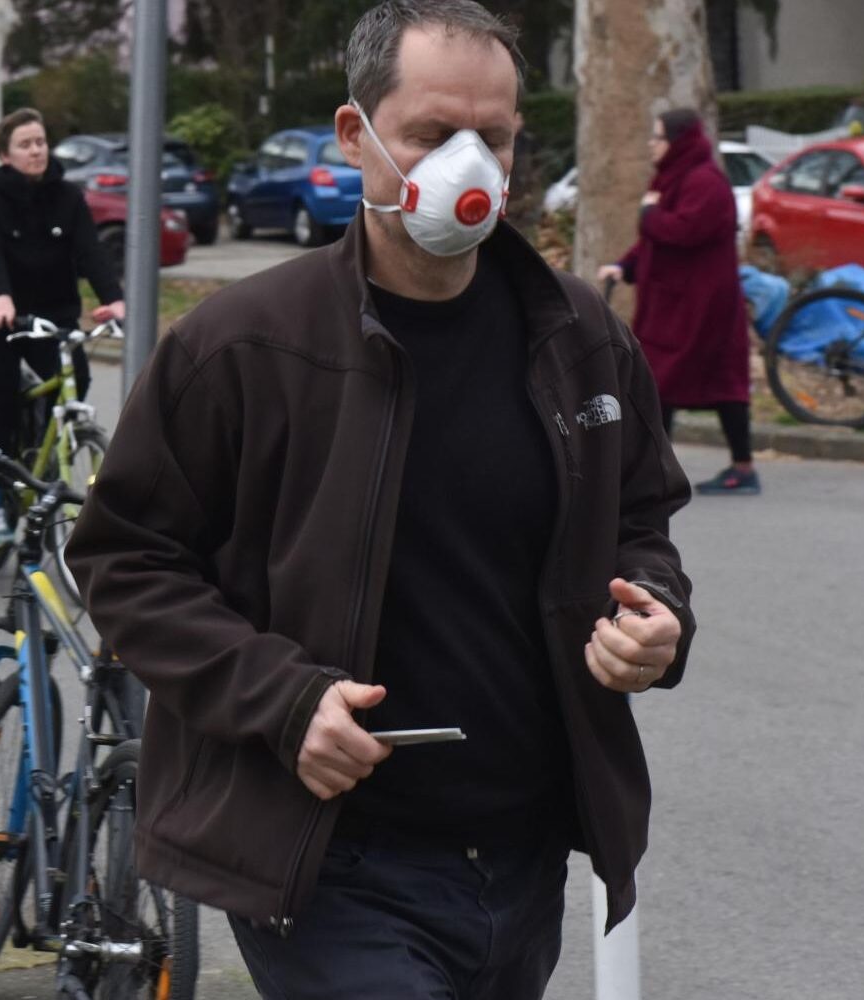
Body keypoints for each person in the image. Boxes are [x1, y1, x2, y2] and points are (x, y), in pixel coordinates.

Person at [66, 2, 696, 997]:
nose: (468, 165)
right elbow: (126, 560)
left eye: (493, 137)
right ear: (353, 136)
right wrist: (283, 701)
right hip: (331, 862)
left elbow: (637, 521)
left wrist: (655, 615)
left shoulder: (576, 336)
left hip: (520, 855)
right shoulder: (241, 347)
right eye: (432, 134)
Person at [0, 107, 125, 546]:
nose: (36, 151)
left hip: (50, 313)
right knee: (0, 392)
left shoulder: (68, 197)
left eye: (40, 142)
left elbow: (90, 252)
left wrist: (114, 299)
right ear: (5, 155)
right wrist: (1, 297)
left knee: (75, 377)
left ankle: (38, 458)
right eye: (25, 145)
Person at [598, 109, 759, 495]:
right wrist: (625, 267)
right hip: (677, 304)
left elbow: (683, 231)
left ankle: (680, 471)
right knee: (665, 382)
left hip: (702, 307)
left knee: (689, 381)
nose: (652, 144)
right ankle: (658, 469)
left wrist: (649, 213)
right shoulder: (675, 178)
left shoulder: (705, 182)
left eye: (658, 137)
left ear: (679, 141)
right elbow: (655, 243)